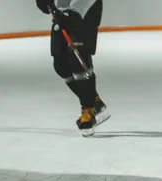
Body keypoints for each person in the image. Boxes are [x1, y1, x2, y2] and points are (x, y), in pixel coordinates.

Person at [35, 0, 110, 137]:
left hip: (85, 14)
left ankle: (88, 112)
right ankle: (95, 101)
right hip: (62, 14)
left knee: (79, 64)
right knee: (61, 66)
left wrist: (74, 12)